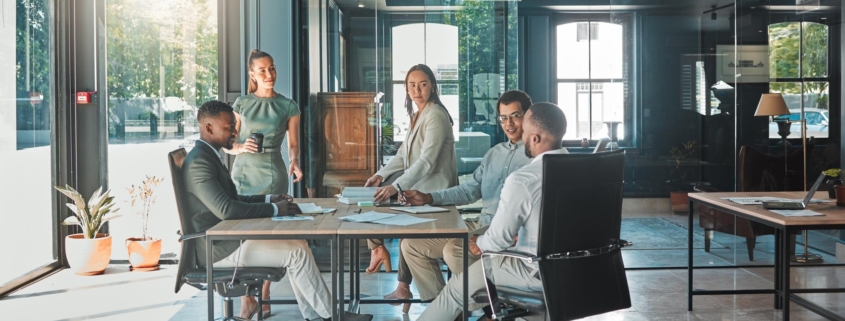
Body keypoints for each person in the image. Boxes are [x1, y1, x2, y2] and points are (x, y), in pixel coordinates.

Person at [184, 100, 372, 321]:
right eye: (229, 127)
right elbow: (226, 209)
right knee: (297, 253)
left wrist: (268, 198)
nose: (235, 131)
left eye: (234, 125)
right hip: (217, 249)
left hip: (228, 240)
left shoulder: (209, 156)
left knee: (299, 245)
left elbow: (233, 199)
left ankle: (314, 315)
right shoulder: (199, 162)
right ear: (208, 128)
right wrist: (274, 209)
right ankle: (333, 316)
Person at [417, 102, 569, 320]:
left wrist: (479, 243)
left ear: (534, 138)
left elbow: (497, 241)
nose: (521, 135)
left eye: (524, 130)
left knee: (456, 289)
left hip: (532, 271)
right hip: (576, 273)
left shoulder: (524, 179)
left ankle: (490, 312)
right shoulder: (585, 170)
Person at [385, 90, 534, 313]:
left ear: (528, 116)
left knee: (454, 249)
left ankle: (483, 308)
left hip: (505, 231)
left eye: (515, 116)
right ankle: (441, 308)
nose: (509, 123)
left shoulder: (536, 155)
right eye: (503, 117)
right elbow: (469, 190)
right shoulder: (495, 153)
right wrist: (429, 197)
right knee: (411, 245)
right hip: (478, 223)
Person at [362, 64, 459, 310]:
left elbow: (426, 161)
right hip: (418, 192)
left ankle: (381, 254)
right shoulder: (419, 114)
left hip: (434, 194)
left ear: (433, 87)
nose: (417, 90)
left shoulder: (435, 114)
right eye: (411, 85)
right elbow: (403, 155)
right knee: (376, 199)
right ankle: (401, 283)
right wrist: (380, 174)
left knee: (390, 214)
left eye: (423, 84)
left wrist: (395, 186)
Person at [222, 49, 303, 318]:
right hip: (244, 174)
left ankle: (264, 295)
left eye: (272, 68)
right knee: (245, 239)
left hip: (274, 174)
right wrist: (240, 146)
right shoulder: (242, 104)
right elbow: (227, 144)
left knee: (271, 236)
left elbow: (293, 145)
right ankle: (247, 298)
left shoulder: (288, 105)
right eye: (262, 71)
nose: (269, 75)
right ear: (252, 75)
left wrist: (294, 162)